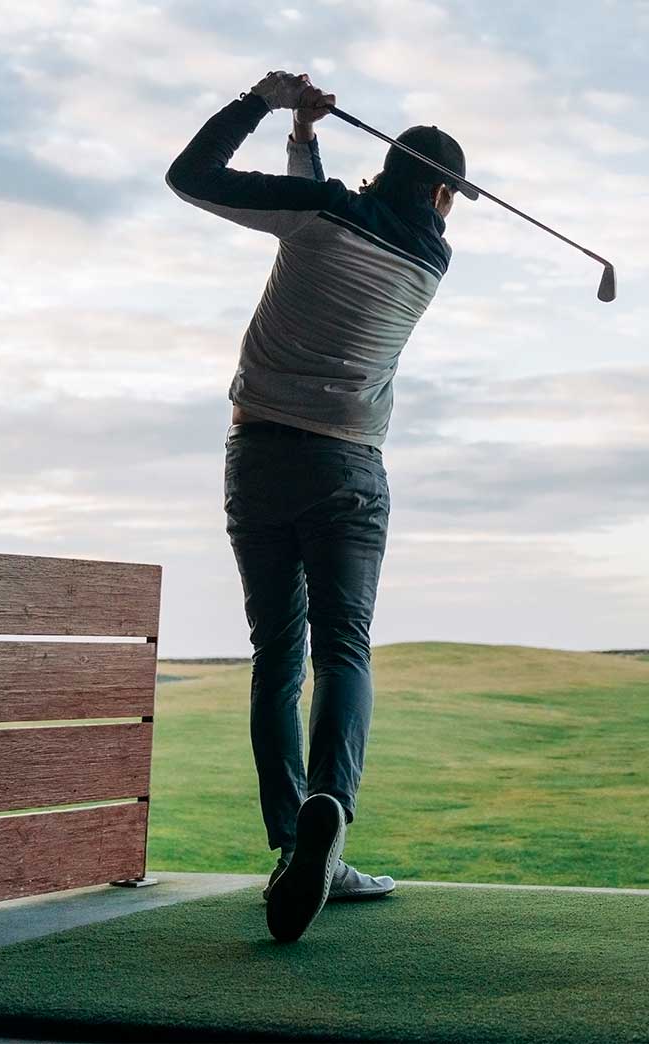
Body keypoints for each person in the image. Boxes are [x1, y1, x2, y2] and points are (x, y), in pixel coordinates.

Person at [166, 70, 466, 943]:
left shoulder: (323, 215)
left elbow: (194, 176)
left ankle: (294, 841)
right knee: (344, 652)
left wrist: (264, 103)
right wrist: (304, 137)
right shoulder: (429, 256)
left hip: (258, 456)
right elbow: (324, 210)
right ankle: (325, 834)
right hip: (350, 471)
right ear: (441, 195)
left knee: (277, 656)